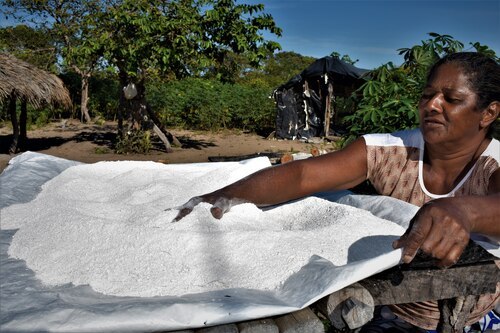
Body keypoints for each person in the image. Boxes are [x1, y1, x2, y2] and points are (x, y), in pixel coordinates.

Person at [172, 52, 500, 331]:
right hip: (389, 309)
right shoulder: (391, 150)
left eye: (452, 99)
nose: (432, 105)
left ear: (488, 113)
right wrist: (222, 196)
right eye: (427, 95)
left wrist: (464, 211)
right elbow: (301, 175)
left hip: (469, 317)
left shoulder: (492, 164)